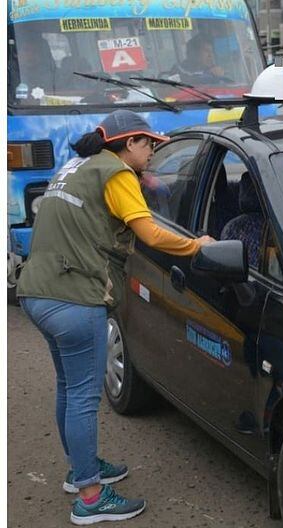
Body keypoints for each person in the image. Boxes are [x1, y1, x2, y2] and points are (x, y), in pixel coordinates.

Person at [17, 110, 214, 525]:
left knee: (69, 387)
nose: (153, 151)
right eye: (148, 144)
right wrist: (198, 246)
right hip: (74, 299)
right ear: (128, 144)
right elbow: (150, 233)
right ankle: (90, 498)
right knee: (84, 397)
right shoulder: (117, 174)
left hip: (37, 291)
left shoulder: (78, 166)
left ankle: (80, 470)